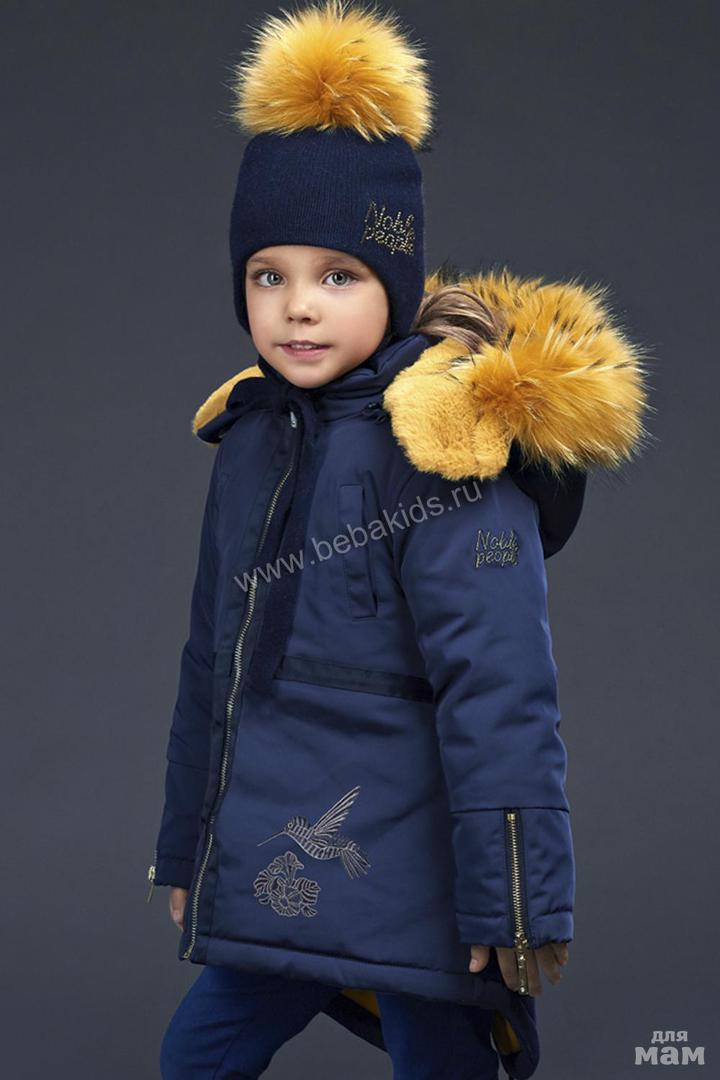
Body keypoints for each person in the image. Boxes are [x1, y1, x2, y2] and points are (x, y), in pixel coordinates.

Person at [146, 2, 651, 1078]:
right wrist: (191, 846)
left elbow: (501, 686)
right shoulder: (250, 437)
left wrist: (515, 900)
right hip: (286, 871)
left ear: (397, 282)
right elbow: (211, 666)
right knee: (194, 1058)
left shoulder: (445, 441)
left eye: (338, 275)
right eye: (269, 275)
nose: (298, 308)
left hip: (423, 890)